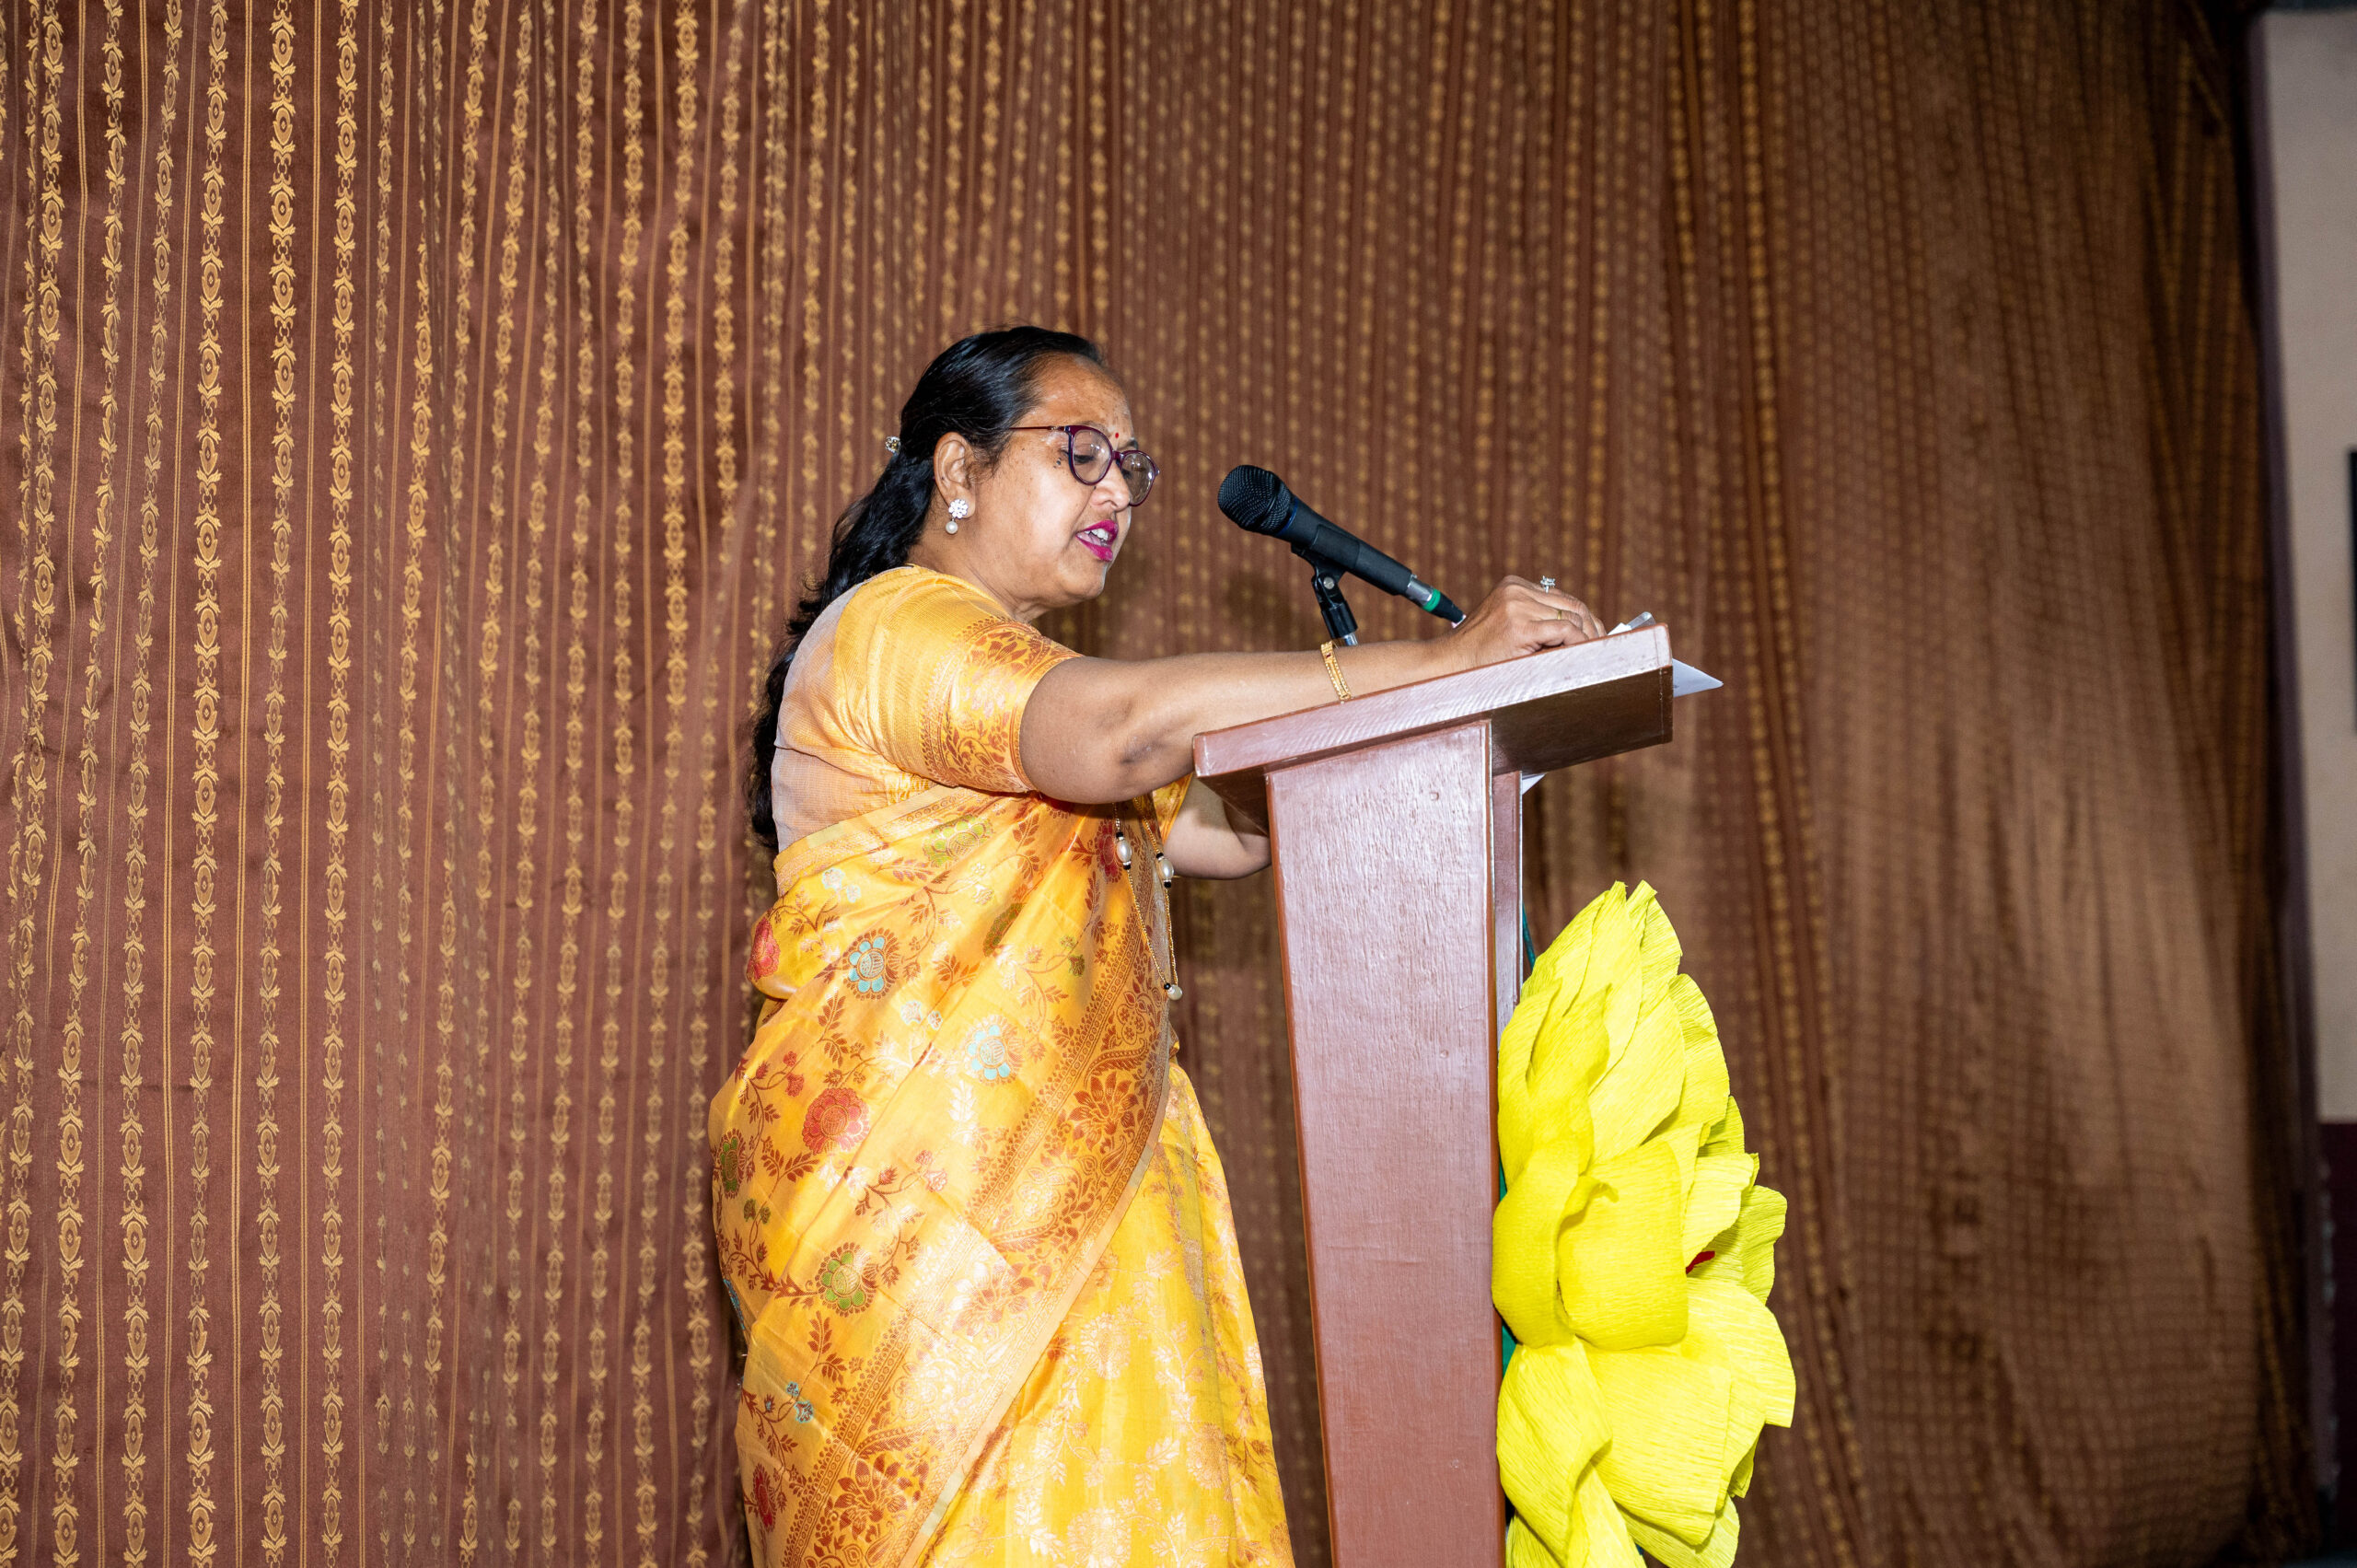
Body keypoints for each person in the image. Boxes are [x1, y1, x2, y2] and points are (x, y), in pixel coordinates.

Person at [714, 325, 1604, 1567]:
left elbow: (1226, 833)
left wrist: (1440, 716)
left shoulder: (1035, 680)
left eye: (1131, 466)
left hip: (1093, 1210)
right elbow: (1121, 735)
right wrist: (1439, 658)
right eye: (1080, 453)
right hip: (936, 1240)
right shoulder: (895, 628)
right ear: (960, 470)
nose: (1119, 493)